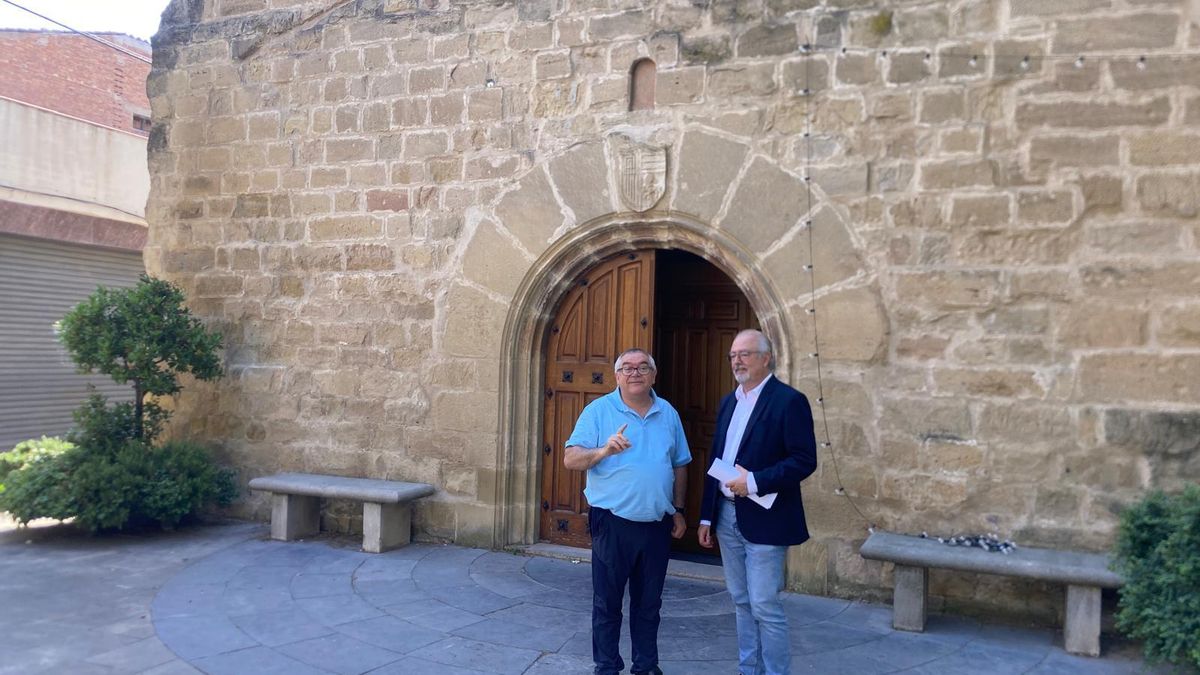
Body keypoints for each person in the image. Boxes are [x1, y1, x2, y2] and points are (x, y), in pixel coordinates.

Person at [564, 348, 691, 675]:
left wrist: (678, 509)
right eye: (628, 368)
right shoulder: (598, 411)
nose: (635, 373)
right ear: (617, 376)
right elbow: (571, 459)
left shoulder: (668, 413)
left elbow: (680, 464)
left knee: (649, 604)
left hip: (656, 524)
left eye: (643, 367)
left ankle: (646, 666)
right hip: (612, 523)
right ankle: (606, 667)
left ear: (653, 375)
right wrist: (604, 450)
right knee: (607, 603)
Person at [698, 329, 818, 675]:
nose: (737, 361)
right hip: (726, 517)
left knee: (764, 604)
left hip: (767, 518)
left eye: (745, 354)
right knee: (740, 600)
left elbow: (804, 460)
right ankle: (748, 668)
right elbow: (717, 458)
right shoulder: (729, 401)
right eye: (733, 355)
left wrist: (752, 481)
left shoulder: (789, 401)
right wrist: (706, 517)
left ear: (766, 358)